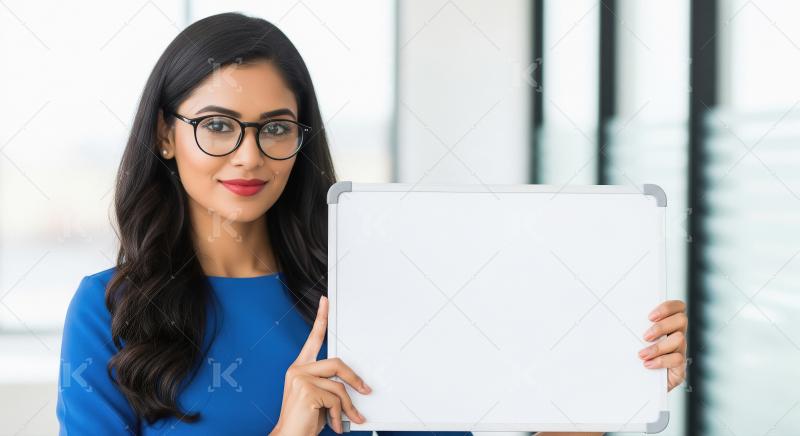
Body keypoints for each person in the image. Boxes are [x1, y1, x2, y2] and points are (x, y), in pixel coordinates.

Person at [56, 12, 688, 436]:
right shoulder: (110, 311)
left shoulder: (381, 288)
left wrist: (601, 379)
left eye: (275, 128)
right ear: (166, 135)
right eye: (217, 125)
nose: (248, 156)